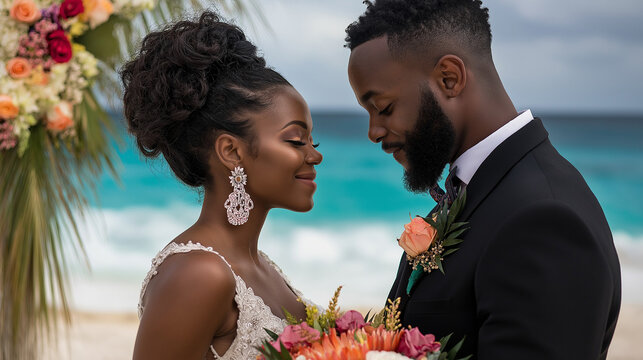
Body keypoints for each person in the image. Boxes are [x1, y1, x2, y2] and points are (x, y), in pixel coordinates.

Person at [345, 0, 620, 358]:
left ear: (450, 78)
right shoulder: (480, 195)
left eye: (383, 108)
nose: (373, 131)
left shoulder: (544, 220)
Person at [121, 11, 322, 359]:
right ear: (231, 151)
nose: (314, 156)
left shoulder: (265, 268)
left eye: (312, 141)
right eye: (295, 140)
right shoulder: (198, 274)